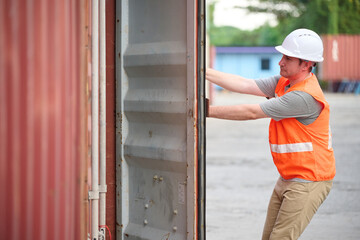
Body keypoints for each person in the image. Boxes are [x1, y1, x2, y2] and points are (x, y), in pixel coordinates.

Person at [206, 28, 336, 240]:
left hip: (309, 180)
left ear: (306, 64)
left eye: (287, 58)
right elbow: (244, 84)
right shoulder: (284, 83)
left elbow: (251, 112)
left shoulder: (304, 96)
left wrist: (205, 111)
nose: (280, 62)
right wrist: (202, 71)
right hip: (288, 176)